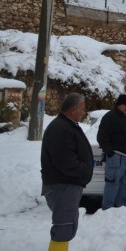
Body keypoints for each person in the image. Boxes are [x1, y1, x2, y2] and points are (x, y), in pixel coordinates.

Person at [41, 93, 93, 251]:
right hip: (62, 186)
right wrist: (84, 171)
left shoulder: (67, 125)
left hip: (66, 185)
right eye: (82, 109)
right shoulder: (60, 128)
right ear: (73, 109)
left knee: (66, 226)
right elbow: (66, 162)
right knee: (64, 227)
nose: (83, 112)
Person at [97, 94, 126, 210]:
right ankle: (107, 211)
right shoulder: (110, 117)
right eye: (125, 105)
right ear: (118, 105)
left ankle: (122, 211)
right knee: (112, 184)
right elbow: (101, 137)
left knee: (125, 185)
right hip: (116, 157)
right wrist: (110, 152)